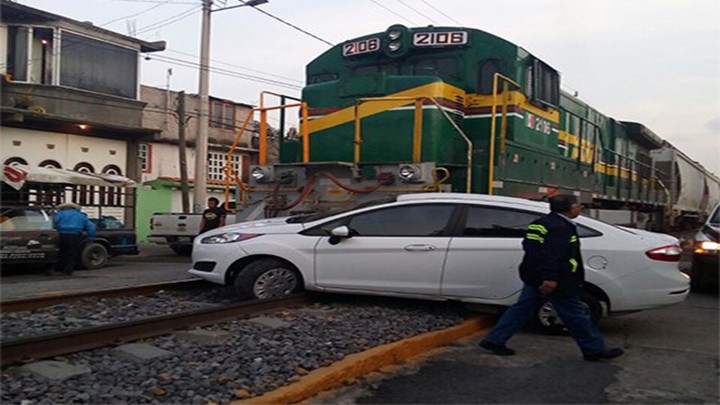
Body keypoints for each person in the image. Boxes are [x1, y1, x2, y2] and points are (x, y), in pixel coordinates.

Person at [479, 194, 624, 362]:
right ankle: (594, 349)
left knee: (521, 309)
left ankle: (494, 340)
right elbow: (551, 255)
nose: (580, 208)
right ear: (569, 209)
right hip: (556, 280)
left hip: (534, 276)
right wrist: (549, 278)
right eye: (578, 205)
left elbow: (531, 249)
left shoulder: (540, 224)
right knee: (576, 314)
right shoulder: (560, 227)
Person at [53, 202, 96, 275]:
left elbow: (52, 223)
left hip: (61, 235)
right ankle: (68, 270)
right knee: (72, 253)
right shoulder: (81, 215)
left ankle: (59, 269)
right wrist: (90, 238)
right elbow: (91, 227)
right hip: (75, 235)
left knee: (62, 252)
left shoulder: (59, 214)